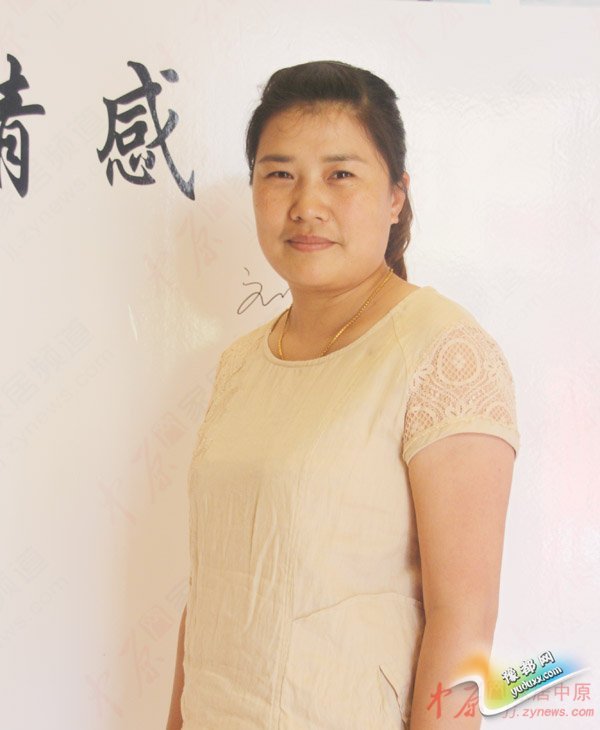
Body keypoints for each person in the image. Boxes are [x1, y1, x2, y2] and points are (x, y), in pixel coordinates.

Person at [166, 60, 520, 730]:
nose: (307, 204)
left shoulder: (442, 351)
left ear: (396, 196)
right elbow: (210, 590)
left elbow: (463, 622)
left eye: (340, 174)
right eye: (279, 174)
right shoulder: (240, 363)